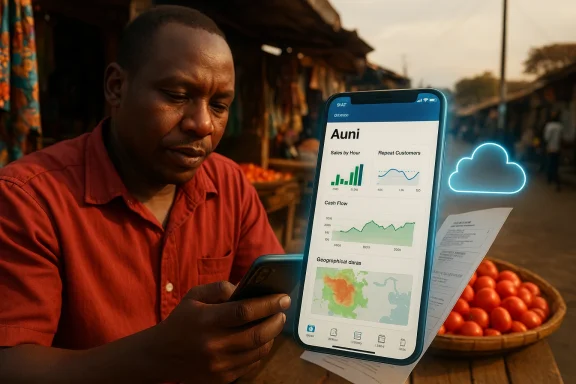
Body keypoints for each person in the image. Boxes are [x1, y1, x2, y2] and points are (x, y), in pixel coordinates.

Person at [0, 6, 292, 383]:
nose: (202, 124)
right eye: (176, 95)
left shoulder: (230, 186)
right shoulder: (29, 198)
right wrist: (158, 356)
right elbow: (10, 365)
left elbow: (272, 303)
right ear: (116, 87)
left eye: (219, 105)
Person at [543, 110, 564, 191]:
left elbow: (546, 138)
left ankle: (551, 179)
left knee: (550, 163)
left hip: (550, 148)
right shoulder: (560, 126)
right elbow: (561, 138)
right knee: (555, 164)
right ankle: (555, 180)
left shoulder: (549, 126)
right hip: (557, 148)